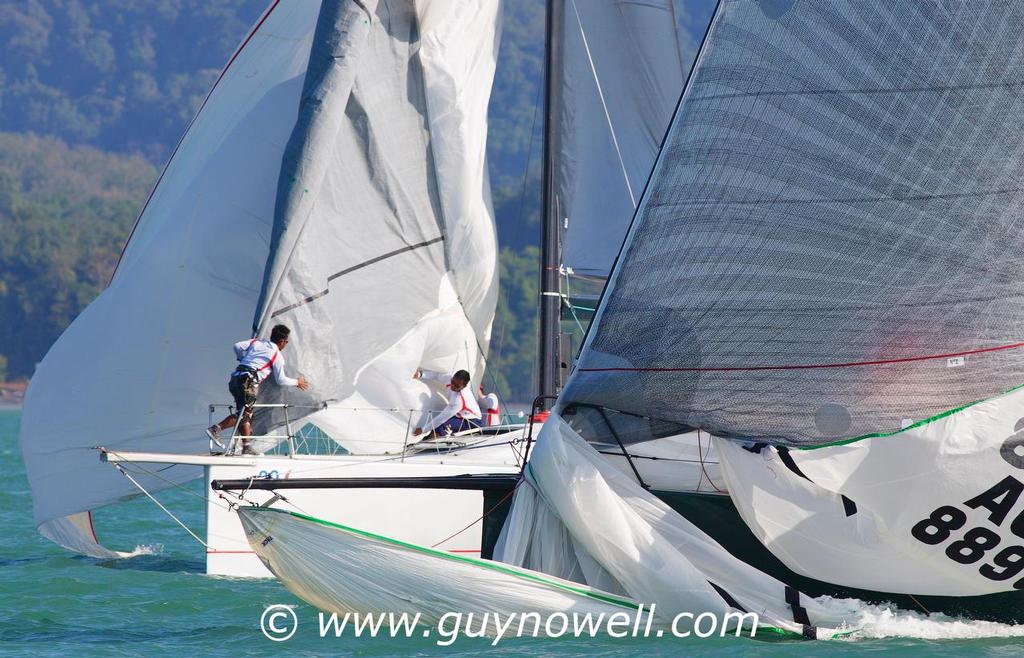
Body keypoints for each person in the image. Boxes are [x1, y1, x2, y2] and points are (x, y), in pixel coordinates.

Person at [207, 324, 309, 455]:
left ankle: (246, 447)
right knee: (244, 414)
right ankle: (215, 429)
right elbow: (281, 380)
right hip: (247, 383)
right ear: (282, 341)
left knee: (246, 413)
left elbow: (237, 346)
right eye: (287, 341)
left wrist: (242, 358)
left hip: (235, 379)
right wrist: (297, 382)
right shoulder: (276, 355)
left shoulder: (257, 343)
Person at [412, 368, 482, 437]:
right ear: (453, 377)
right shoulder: (449, 378)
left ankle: (431, 444)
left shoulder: (458, 400)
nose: (453, 386)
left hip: (471, 421)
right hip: (459, 415)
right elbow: (437, 375)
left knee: (441, 427)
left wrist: (423, 429)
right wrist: (420, 374)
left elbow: (442, 418)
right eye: (452, 382)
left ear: (464, 386)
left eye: (457, 386)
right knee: (437, 426)